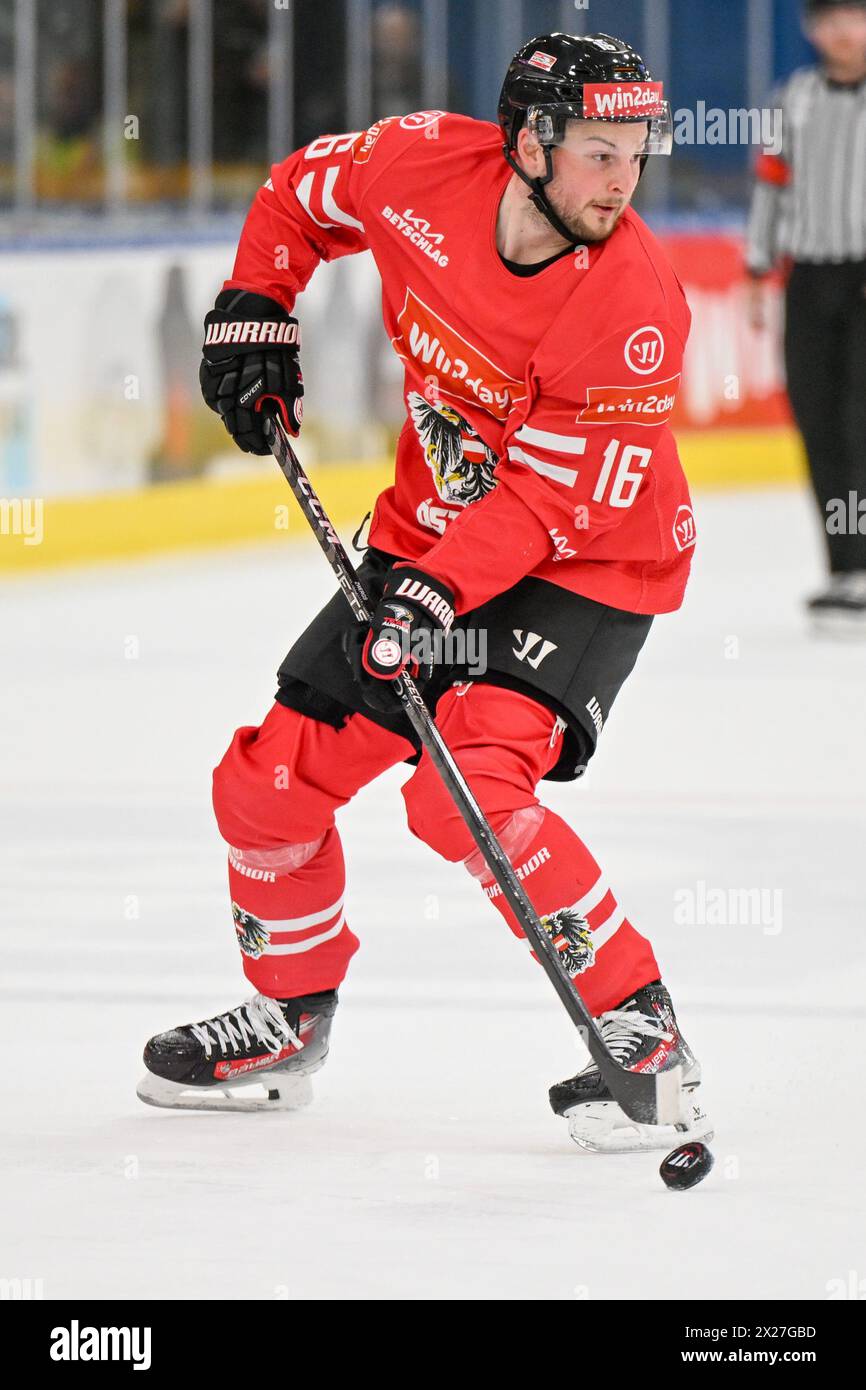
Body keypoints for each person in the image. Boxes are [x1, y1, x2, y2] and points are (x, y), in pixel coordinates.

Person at [137, 32, 712, 1155]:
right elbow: (297, 195)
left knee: (465, 794)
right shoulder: (413, 168)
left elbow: (546, 505)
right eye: (598, 150)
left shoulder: (633, 305)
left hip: (584, 560)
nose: (621, 180)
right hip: (432, 537)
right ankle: (287, 1021)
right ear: (526, 140)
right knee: (265, 787)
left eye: (635, 153)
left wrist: (431, 595)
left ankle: (638, 1025)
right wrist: (257, 302)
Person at [747, 0, 866, 631]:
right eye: (829, 20)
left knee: (860, 421)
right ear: (809, 29)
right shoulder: (789, 99)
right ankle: (846, 567)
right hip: (812, 280)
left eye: (855, 17)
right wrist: (754, 269)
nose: (842, 32)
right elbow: (771, 185)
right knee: (819, 418)